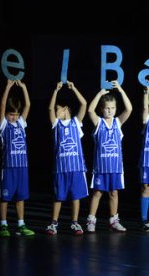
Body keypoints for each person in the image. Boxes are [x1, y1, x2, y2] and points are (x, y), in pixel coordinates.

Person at [86, 80, 132, 232]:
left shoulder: (118, 122)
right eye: (107, 108)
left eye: (113, 108)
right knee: (97, 193)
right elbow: (90, 111)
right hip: (101, 167)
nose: (110, 111)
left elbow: (129, 109)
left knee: (114, 193)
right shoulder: (98, 122)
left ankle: (113, 220)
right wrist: (100, 93)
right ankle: (91, 220)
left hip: (116, 167)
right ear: (102, 109)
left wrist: (120, 90)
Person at [45, 81, 88, 236]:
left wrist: (74, 88)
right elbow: (50, 108)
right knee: (58, 197)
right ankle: (53, 223)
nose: (55, 111)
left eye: (58, 109)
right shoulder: (56, 124)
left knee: (75, 196)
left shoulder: (76, 122)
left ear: (65, 109)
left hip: (76, 167)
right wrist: (56, 90)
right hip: (60, 168)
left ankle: (75, 223)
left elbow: (84, 104)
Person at [0, 79, 35, 237]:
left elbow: (28, 105)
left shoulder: (21, 123)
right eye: (11, 114)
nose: (13, 117)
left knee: (21, 197)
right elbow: (1, 105)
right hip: (9, 167)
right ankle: (4, 225)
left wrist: (24, 88)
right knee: (5, 198)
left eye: (16, 114)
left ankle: (21, 224)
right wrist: (7, 87)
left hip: (22, 167)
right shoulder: (4, 124)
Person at [140, 86, 149, 232]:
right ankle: (144, 220)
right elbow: (145, 107)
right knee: (145, 188)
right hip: (147, 160)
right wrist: (147, 93)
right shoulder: (147, 120)